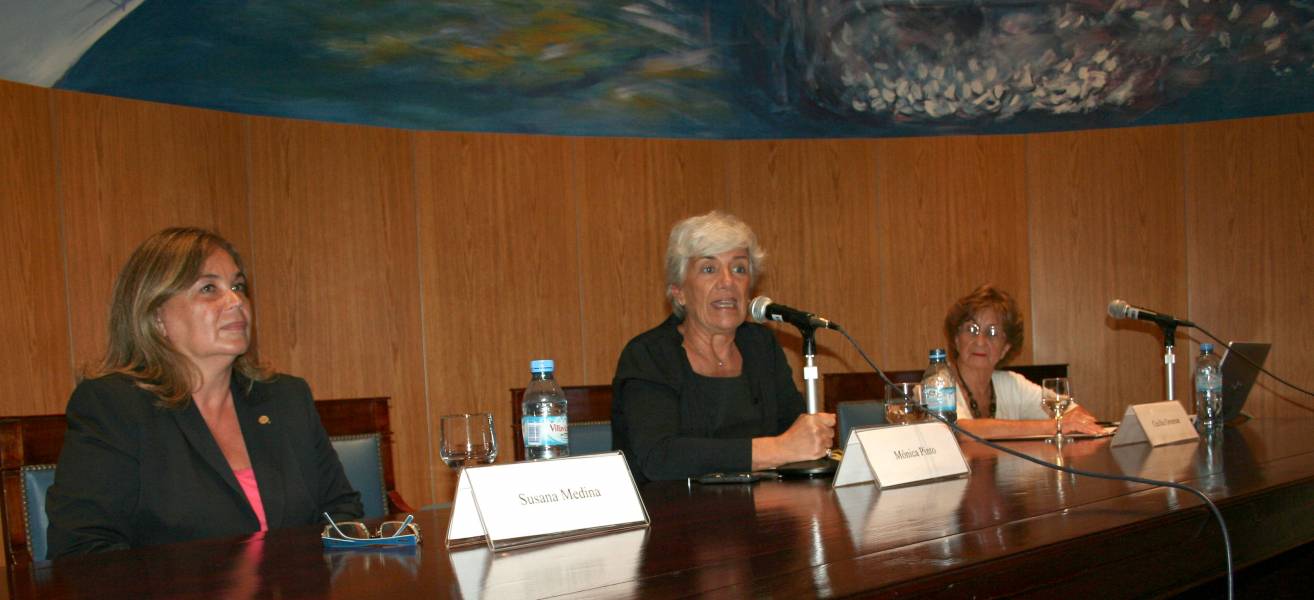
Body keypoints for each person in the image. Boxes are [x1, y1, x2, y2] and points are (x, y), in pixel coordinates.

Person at [45, 227, 362, 557]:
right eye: (209, 288)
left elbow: (340, 509)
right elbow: (82, 549)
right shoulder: (114, 406)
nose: (236, 301)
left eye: (238, 286)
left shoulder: (286, 398)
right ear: (156, 318)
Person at [612, 211, 835, 482]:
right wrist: (775, 450)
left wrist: (811, 439)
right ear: (678, 292)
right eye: (709, 269)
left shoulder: (760, 346)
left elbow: (795, 433)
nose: (728, 281)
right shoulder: (649, 355)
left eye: (739, 268)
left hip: (764, 511)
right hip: (674, 515)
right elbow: (659, 457)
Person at [944, 284, 1104, 438]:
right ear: (956, 339)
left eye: (992, 332)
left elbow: (1078, 415)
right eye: (971, 329)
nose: (980, 341)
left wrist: (1071, 422)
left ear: (1005, 348)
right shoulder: (936, 385)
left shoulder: (1012, 384)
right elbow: (961, 430)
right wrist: (1055, 426)